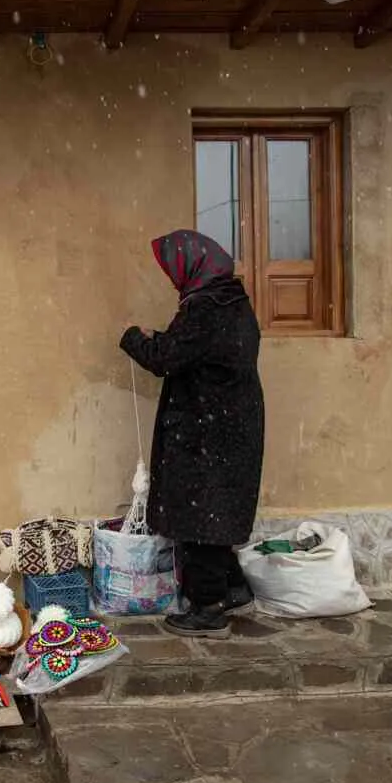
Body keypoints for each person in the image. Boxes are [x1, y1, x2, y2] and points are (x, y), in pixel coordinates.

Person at [120, 229, 265, 639]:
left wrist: (133, 338)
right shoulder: (233, 302)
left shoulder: (205, 308)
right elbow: (197, 351)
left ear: (192, 265)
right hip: (231, 424)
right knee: (217, 510)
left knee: (200, 515)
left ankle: (208, 609)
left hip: (208, 430)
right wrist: (165, 338)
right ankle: (232, 588)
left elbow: (166, 359)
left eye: (173, 268)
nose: (172, 277)